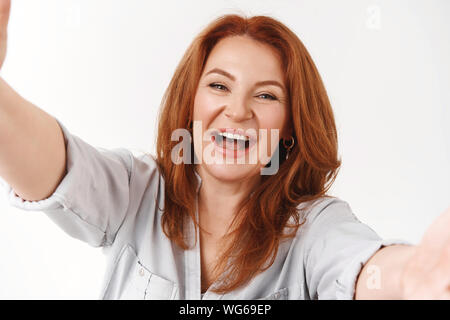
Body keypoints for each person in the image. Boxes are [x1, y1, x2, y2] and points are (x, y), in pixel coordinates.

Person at [0, 0, 449, 300]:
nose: (237, 111)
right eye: (219, 86)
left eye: (266, 96)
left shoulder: (314, 228)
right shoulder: (137, 192)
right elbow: (57, 169)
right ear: (191, 103)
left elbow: (360, 268)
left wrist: (411, 276)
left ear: (290, 130)